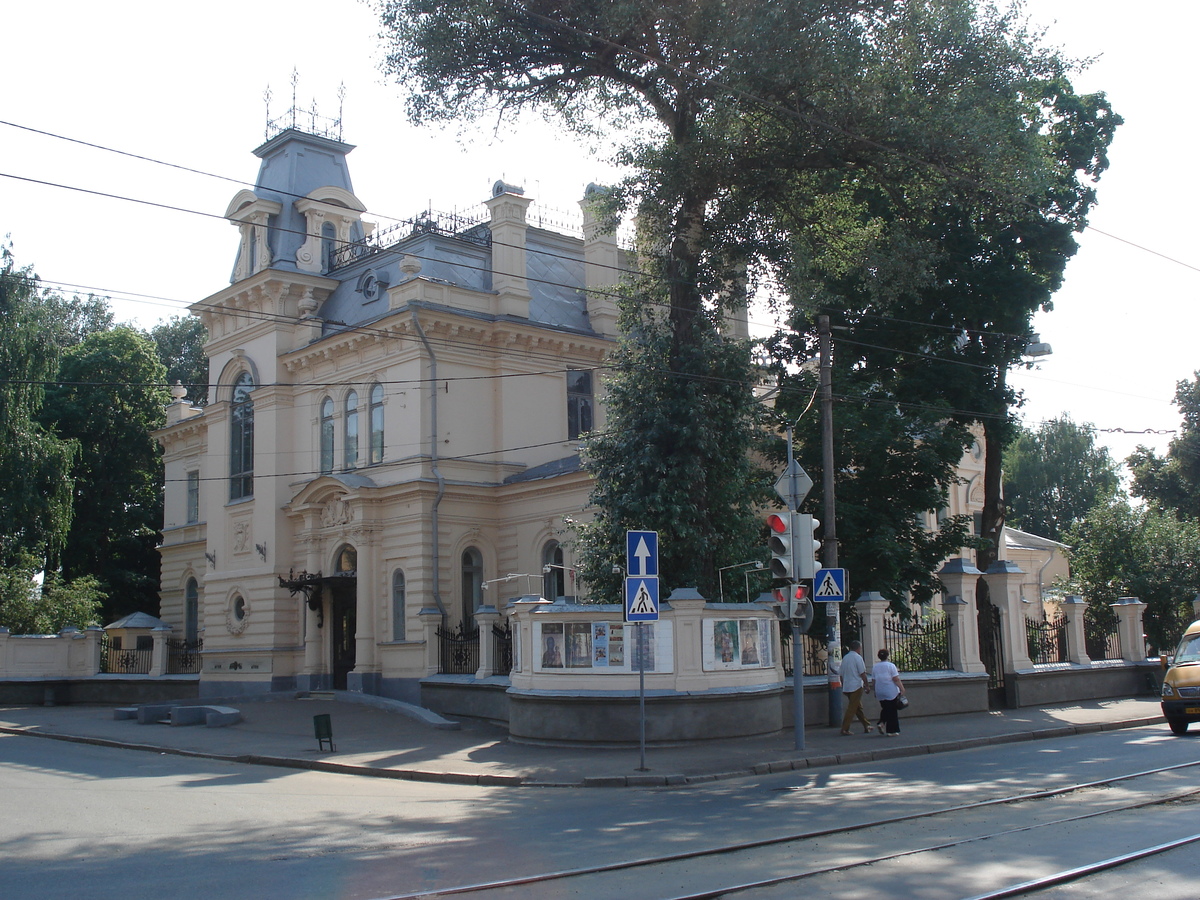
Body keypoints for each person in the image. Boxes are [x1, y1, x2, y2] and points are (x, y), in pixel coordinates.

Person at [839, 640, 873, 734]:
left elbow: (841, 674)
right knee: (852, 708)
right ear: (858, 648)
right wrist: (867, 685)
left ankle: (867, 725)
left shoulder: (845, 658)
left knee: (857, 707)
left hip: (847, 686)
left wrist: (843, 685)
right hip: (856, 686)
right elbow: (862, 673)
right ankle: (845, 729)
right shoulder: (857, 658)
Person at [872, 647, 905, 736]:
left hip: (880, 691)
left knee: (886, 708)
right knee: (892, 711)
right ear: (887, 656)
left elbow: (874, 680)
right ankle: (892, 730)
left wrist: (875, 690)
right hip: (890, 691)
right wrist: (902, 688)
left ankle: (881, 723)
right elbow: (896, 679)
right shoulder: (891, 666)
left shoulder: (875, 667)